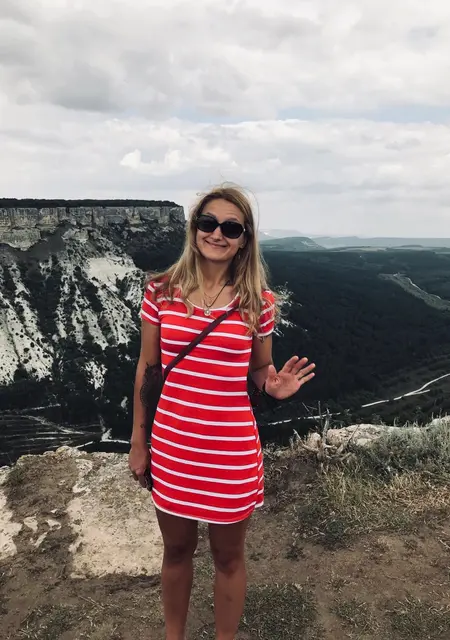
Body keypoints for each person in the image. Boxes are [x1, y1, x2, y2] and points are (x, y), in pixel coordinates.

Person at [129, 184, 316, 640]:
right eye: (208, 222)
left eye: (231, 227)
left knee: (228, 558)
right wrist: (139, 441)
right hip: (173, 447)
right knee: (176, 551)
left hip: (230, 452)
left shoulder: (258, 303)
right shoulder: (160, 291)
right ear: (194, 228)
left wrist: (273, 384)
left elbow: (259, 368)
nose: (217, 234)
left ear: (245, 239)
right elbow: (148, 369)